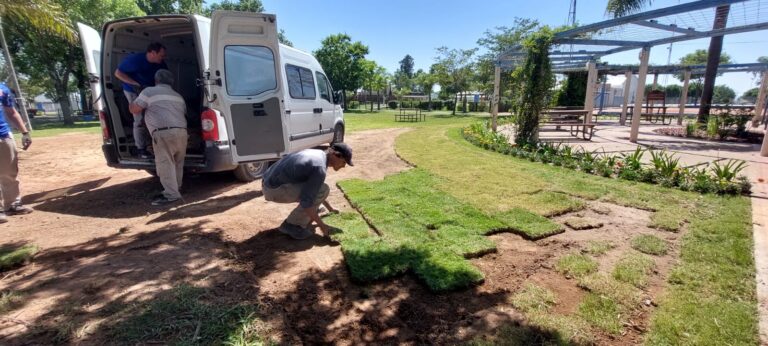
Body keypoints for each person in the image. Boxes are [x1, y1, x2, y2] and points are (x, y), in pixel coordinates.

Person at [261, 143, 353, 240]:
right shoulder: (319, 167)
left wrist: (330, 209)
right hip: (273, 190)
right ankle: (292, 225)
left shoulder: (320, 155)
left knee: (319, 190)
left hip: (268, 181)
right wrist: (323, 226)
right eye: (344, 162)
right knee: (322, 190)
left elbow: (314, 187)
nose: (344, 166)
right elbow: (307, 202)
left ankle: (312, 211)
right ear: (336, 155)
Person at [129, 69, 188, 206]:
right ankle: (176, 189)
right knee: (177, 163)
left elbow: (134, 109)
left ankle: (171, 194)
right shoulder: (178, 96)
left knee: (165, 164)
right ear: (171, 82)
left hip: (163, 133)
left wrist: (133, 99)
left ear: (156, 80)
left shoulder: (149, 91)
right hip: (182, 132)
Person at [115, 42, 168, 159]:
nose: (163, 58)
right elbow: (118, 73)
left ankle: (156, 144)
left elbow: (164, 78)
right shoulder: (135, 60)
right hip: (133, 91)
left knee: (155, 117)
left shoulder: (161, 64)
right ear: (153, 53)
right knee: (139, 119)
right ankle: (141, 149)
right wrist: (135, 84)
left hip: (149, 91)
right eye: (161, 55)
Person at [0, 83, 33, 223]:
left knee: (9, 171)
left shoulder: (2, 88)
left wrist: (24, 133)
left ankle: (12, 204)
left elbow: (11, 112)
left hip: (3, 134)